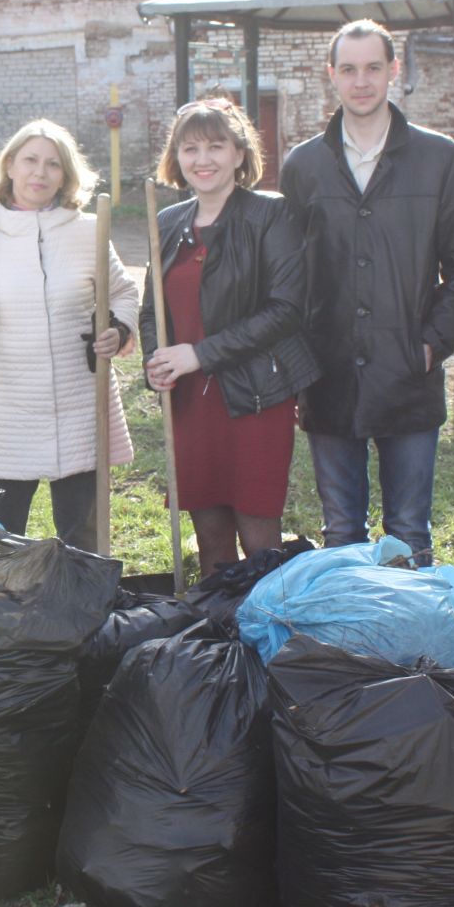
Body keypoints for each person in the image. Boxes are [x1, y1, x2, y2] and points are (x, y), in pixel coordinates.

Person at [278, 19, 454, 565]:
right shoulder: (304, 166)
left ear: (394, 71)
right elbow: (289, 278)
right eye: (348, 69)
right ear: (332, 76)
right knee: (342, 533)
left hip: (408, 375)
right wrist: (302, 361)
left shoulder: (437, 159)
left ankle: (410, 647)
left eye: (373, 67)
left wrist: (430, 344)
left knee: (409, 536)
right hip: (329, 376)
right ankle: (349, 647)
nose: (361, 81)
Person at [0, 119, 136, 549]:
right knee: (1, 539)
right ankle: (6, 613)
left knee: (84, 535)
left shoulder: (87, 231)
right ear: (9, 165)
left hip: (79, 403)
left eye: (53, 164)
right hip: (8, 409)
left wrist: (117, 330)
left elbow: (124, 294)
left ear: (67, 175)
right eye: (30, 160)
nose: (40, 173)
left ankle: (84, 611)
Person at [140, 97, 318, 574]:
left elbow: (285, 310)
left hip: (256, 396)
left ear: (239, 154)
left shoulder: (270, 215)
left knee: (258, 535)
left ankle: (267, 635)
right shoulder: (167, 223)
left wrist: (200, 354)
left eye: (216, 146)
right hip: (190, 402)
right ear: (176, 158)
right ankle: (219, 637)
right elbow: (151, 310)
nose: (203, 160)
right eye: (190, 148)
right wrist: (155, 360)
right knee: (210, 536)